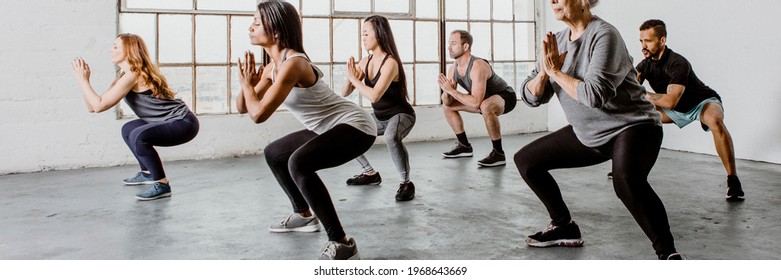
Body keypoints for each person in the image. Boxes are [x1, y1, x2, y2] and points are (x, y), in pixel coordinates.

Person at [515, 0, 683, 259]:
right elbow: (531, 96)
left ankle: (668, 255)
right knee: (526, 160)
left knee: (626, 181)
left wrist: (556, 72)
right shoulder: (557, 41)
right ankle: (563, 226)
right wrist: (544, 75)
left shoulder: (604, 36)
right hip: (589, 132)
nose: (553, 1)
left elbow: (594, 95)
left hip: (633, 127)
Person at [236, 0, 376, 260]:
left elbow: (258, 115)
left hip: (356, 125)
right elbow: (244, 108)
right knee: (275, 153)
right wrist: (249, 83)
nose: (251, 26)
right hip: (325, 128)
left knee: (299, 163)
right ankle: (303, 214)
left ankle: (342, 243)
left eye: (257, 21)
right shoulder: (272, 68)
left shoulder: (294, 64)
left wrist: (247, 85)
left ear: (276, 31)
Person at [71, 33, 199, 201]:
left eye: (116, 46)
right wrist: (84, 81)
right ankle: (147, 173)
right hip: (165, 121)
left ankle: (162, 184)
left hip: (183, 123)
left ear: (128, 50)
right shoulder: (124, 76)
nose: (111, 50)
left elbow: (98, 105)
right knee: (128, 129)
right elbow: (93, 107)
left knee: (138, 135)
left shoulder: (133, 74)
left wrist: (83, 81)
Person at [636, 19, 744, 202]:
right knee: (633, 117)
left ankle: (733, 181)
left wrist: (640, 92)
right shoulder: (644, 65)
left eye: (648, 41)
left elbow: (669, 101)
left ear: (662, 40)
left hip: (701, 102)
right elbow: (628, 90)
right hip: (677, 110)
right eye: (641, 41)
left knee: (715, 121)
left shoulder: (677, 63)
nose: (643, 46)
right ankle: (627, 167)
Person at [341, 15, 417, 201]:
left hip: (401, 115)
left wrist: (354, 80)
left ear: (380, 34)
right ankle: (369, 174)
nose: (363, 37)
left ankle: (406, 183)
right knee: (345, 133)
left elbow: (374, 95)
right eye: (362, 34)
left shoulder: (390, 63)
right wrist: (350, 77)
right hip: (380, 117)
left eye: (366, 33)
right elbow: (344, 92)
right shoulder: (365, 62)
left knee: (391, 137)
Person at [438, 30, 518, 167]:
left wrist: (452, 91)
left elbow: (475, 103)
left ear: (465, 47)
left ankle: (498, 154)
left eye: (454, 43)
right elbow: (448, 102)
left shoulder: (478, 65)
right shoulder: (453, 69)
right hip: (482, 100)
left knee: (485, 106)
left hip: (505, 96)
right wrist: (446, 92)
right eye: (449, 44)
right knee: (448, 106)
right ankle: (464, 146)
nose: (449, 48)